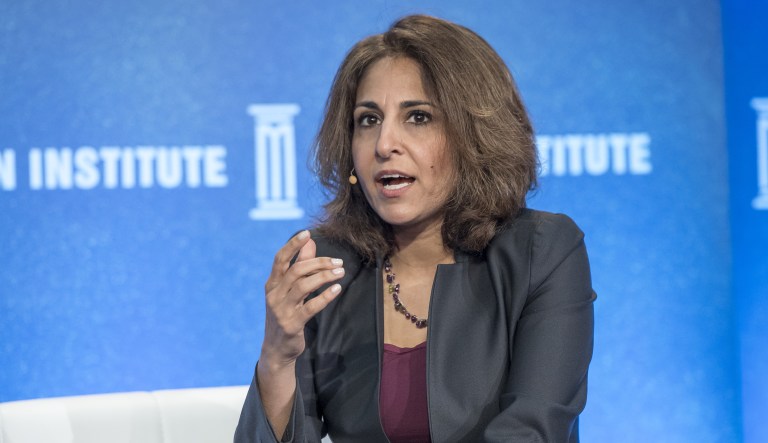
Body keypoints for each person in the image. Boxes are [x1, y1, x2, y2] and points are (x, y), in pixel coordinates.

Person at [235, 14, 595, 443]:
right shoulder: (325, 268)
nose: (385, 144)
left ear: (473, 135)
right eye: (368, 120)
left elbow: (534, 430)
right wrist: (277, 355)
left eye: (418, 117)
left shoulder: (541, 252)